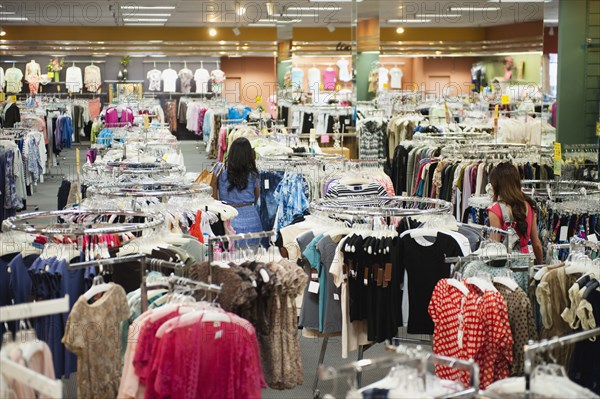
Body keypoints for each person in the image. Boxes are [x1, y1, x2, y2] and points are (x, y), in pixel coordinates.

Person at [487, 162, 543, 265]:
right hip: (525, 264)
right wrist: (540, 266)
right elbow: (537, 244)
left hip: (505, 267)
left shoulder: (495, 209)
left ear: (497, 185)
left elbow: (495, 249)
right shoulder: (529, 205)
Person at [213, 137, 262, 236]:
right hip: (252, 220)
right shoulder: (253, 173)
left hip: (228, 217)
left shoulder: (220, 169)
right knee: (253, 250)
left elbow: (213, 195)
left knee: (228, 250)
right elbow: (256, 196)